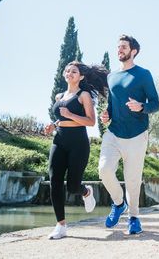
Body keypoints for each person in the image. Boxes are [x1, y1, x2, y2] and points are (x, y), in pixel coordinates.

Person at [98, 34, 159, 235]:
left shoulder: (143, 74)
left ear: (133, 51)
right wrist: (107, 114)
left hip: (136, 134)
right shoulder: (111, 76)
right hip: (114, 132)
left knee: (132, 179)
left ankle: (134, 218)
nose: (119, 50)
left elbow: (155, 104)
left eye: (123, 47)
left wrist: (141, 106)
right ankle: (118, 203)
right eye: (118, 47)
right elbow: (111, 104)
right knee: (104, 170)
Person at [44, 61, 109, 239]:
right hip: (59, 140)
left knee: (73, 186)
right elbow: (61, 118)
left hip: (78, 143)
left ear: (80, 76)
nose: (69, 73)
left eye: (74, 71)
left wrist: (70, 115)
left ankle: (86, 191)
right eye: (67, 71)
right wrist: (53, 124)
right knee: (54, 180)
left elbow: (91, 121)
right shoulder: (59, 96)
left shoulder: (84, 95)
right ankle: (61, 225)